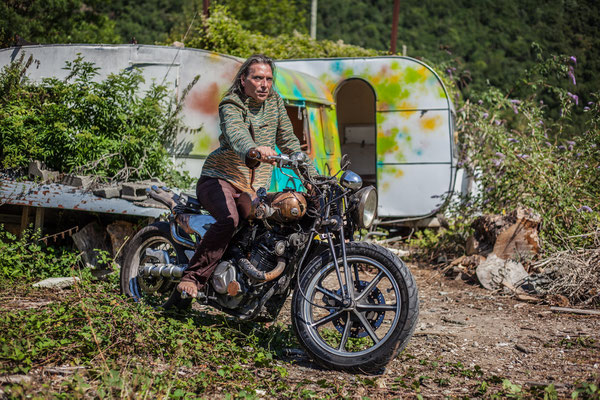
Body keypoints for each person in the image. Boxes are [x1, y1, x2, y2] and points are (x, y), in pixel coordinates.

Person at [177, 54, 311, 298]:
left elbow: (288, 140)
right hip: (219, 179)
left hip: (253, 188)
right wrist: (254, 149)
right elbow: (237, 133)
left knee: (270, 222)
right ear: (243, 80)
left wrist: (312, 176)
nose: (264, 84)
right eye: (258, 78)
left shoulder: (275, 103)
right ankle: (193, 277)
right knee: (230, 220)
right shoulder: (231, 104)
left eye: (269, 79)